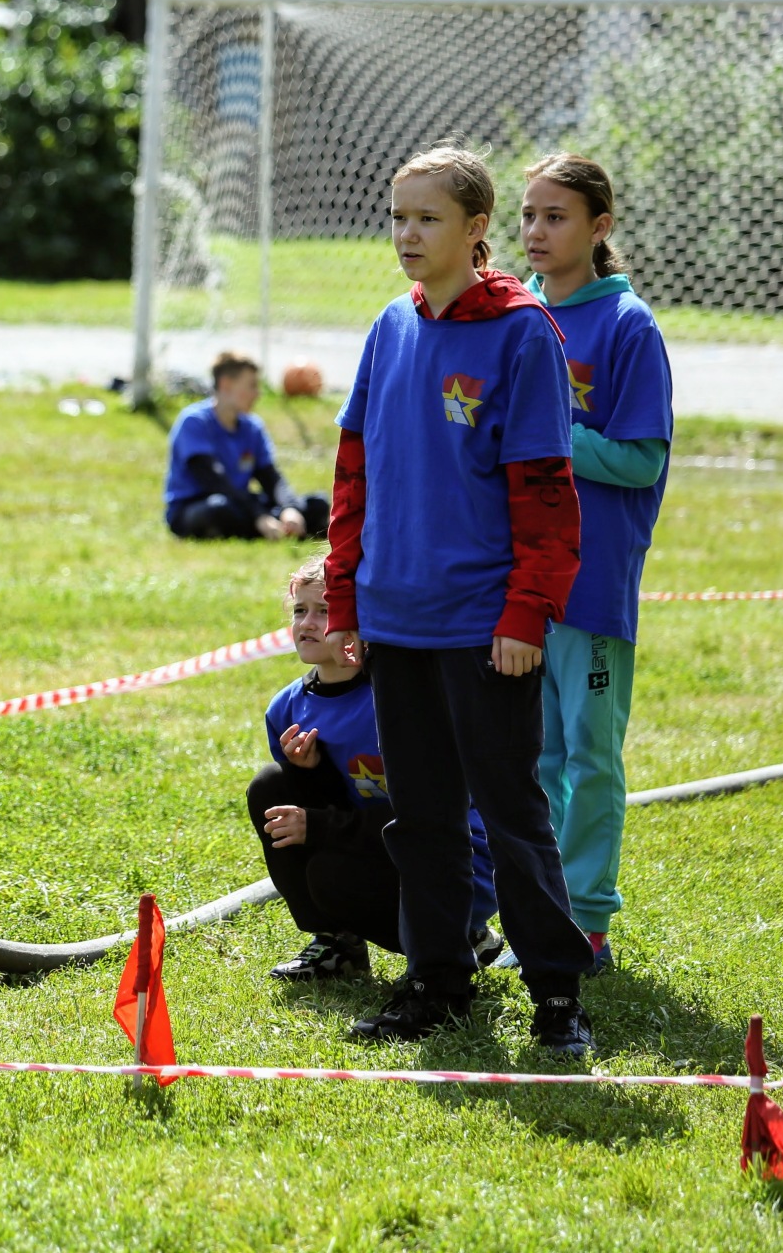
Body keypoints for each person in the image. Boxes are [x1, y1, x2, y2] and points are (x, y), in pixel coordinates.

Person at [323, 143, 595, 1054]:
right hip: (394, 618)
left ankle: (556, 991)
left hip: (485, 626)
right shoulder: (388, 327)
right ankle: (437, 979)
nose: (408, 235)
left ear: (476, 229)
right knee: (422, 815)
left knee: (511, 813)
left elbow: (548, 495)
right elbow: (353, 473)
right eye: (398, 217)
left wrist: (526, 614)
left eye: (427, 218)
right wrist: (346, 599)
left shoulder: (522, 333)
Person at [505, 154, 673, 977]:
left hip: (592, 583)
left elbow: (641, 460)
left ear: (599, 227)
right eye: (528, 215)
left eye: (556, 216)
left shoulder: (629, 326)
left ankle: (588, 921)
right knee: (529, 757)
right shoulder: (516, 312)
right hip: (518, 583)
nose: (536, 231)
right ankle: (539, 912)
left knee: (589, 755)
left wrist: (552, 437)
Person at [250, 556, 501, 980]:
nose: (307, 624)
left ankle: (456, 935)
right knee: (270, 786)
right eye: (300, 610)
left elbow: (430, 814)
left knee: (331, 876)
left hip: (456, 859)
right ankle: (337, 946)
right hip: (374, 845)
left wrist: (320, 826)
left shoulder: (398, 698)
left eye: (325, 611)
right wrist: (311, 774)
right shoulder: (286, 708)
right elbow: (337, 802)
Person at [165, 352, 329, 541]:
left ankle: (279, 526)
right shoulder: (194, 422)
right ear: (226, 385)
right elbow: (215, 481)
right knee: (219, 509)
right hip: (200, 505)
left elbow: (270, 477)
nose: (258, 394)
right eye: (252, 386)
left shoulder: (252, 427)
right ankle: (271, 527)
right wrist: (258, 515)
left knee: (318, 504)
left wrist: (290, 508)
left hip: (241, 503)